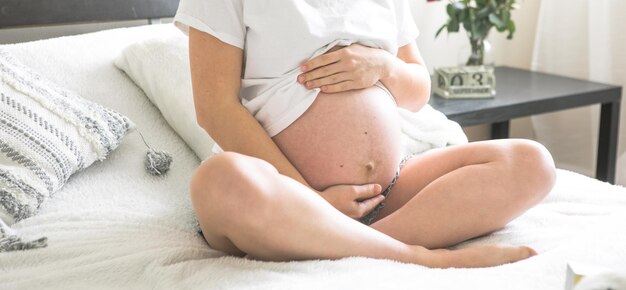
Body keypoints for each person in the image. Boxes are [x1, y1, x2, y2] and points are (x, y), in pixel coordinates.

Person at [174, 0, 556, 268]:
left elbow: (418, 90)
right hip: (287, 199)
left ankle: (352, 243)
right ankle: (420, 257)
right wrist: (314, 201)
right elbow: (216, 110)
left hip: (384, 195)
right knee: (217, 181)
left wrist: (383, 67)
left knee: (531, 162)